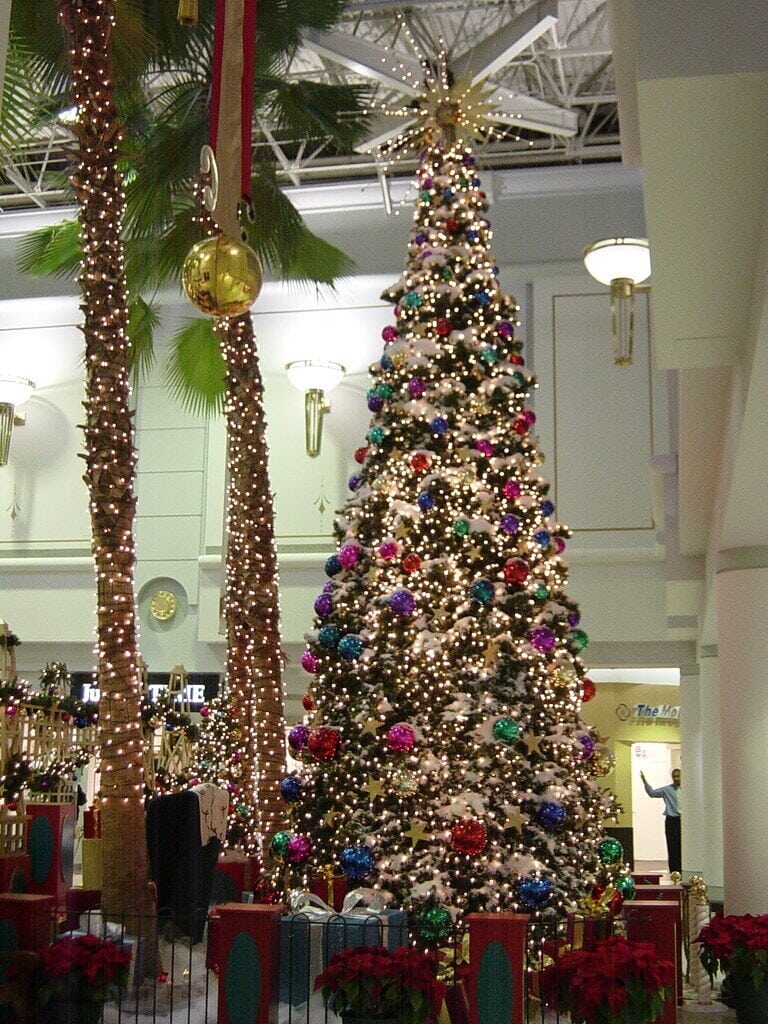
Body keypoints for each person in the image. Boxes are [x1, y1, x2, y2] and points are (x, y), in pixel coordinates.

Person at [640, 768, 681, 874]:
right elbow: (652, 793)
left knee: (683, 847)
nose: (676, 778)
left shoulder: (688, 790)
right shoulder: (667, 790)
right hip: (672, 820)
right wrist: (645, 782)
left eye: (678, 776)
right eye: (674, 776)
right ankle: (674, 871)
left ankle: (683, 869)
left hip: (684, 821)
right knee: (672, 846)